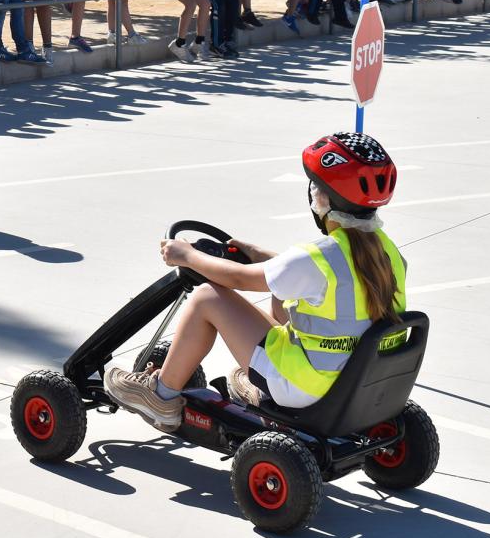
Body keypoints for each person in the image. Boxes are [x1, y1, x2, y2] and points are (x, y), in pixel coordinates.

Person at [102, 132, 406, 431]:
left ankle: (161, 397)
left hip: (307, 386)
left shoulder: (317, 257)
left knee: (207, 297)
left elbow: (236, 278)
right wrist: (259, 254)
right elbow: (327, 277)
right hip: (357, 380)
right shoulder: (388, 253)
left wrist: (186, 255)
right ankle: (258, 385)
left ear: (322, 198)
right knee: (282, 297)